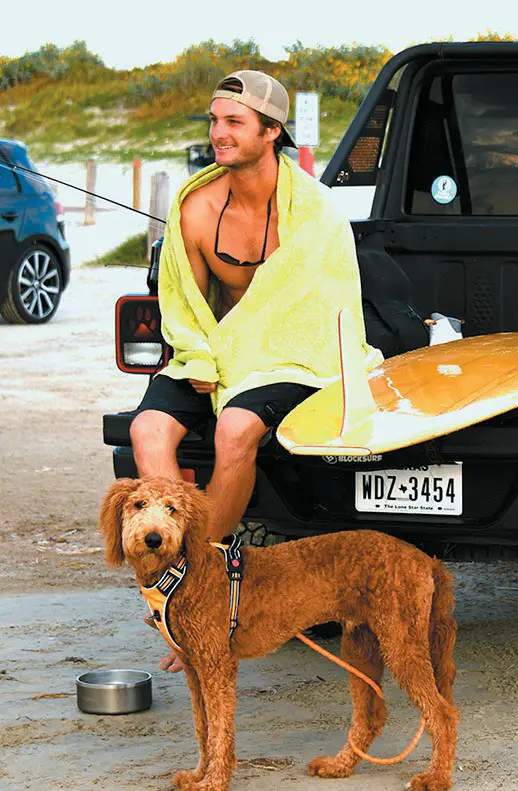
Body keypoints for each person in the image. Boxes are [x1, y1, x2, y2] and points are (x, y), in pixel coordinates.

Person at [129, 70, 380, 672]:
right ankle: (176, 581)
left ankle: (202, 589)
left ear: (272, 132)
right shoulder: (195, 205)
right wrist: (196, 355)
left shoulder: (315, 212)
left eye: (233, 122)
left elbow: (321, 309)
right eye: (214, 120)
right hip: (213, 352)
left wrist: (235, 359)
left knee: (236, 429)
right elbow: (183, 299)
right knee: (146, 431)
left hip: (290, 354)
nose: (218, 133)